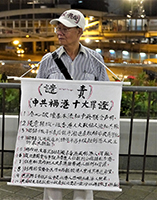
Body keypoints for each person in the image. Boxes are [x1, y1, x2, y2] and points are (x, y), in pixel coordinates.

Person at [36, 9, 109, 200]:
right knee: (52, 178)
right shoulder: (47, 61)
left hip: (84, 131)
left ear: (80, 32)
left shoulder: (96, 60)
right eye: (58, 28)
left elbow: (104, 96)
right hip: (54, 130)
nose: (59, 32)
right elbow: (36, 97)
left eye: (65, 28)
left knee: (83, 180)